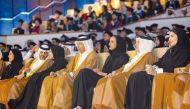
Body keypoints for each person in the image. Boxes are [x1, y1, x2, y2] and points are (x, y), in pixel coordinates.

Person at [125, 28, 190, 109]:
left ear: (180, 37)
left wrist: (157, 71)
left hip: (172, 77)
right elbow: (160, 62)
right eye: (169, 36)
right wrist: (153, 67)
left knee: (142, 77)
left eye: (172, 36)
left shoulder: (186, 51)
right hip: (162, 74)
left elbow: (177, 68)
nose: (169, 39)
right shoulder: (170, 51)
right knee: (135, 75)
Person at [92, 36, 156, 109]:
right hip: (124, 75)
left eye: (138, 42)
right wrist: (115, 72)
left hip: (129, 77)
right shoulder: (137, 56)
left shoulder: (149, 55)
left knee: (112, 80)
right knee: (102, 80)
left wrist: (119, 73)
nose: (135, 44)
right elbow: (124, 67)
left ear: (145, 44)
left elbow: (140, 69)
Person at [37, 35, 99, 109]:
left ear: (86, 44)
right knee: (48, 78)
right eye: (77, 44)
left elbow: (87, 71)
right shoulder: (77, 56)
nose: (77, 46)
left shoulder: (92, 55)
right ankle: (47, 106)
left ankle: (61, 107)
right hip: (71, 76)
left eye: (80, 44)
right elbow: (68, 68)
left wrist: (70, 74)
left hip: (81, 79)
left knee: (63, 78)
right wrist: (57, 73)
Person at [72, 36, 129, 109]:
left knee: (84, 72)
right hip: (103, 77)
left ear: (119, 44)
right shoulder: (110, 57)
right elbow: (104, 71)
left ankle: (79, 106)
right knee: (84, 72)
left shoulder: (124, 57)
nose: (109, 44)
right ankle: (78, 105)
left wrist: (101, 73)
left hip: (110, 80)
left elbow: (117, 75)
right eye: (109, 42)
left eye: (112, 42)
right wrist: (98, 72)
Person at [0, 44, 54, 109]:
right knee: (3, 83)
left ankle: (12, 105)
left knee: (14, 85)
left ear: (48, 54)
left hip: (31, 80)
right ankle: (3, 103)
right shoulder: (33, 60)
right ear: (39, 52)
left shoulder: (48, 63)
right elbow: (23, 69)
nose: (43, 54)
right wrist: (24, 71)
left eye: (45, 53)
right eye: (41, 52)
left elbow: (42, 74)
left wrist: (25, 74)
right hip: (23, 78)